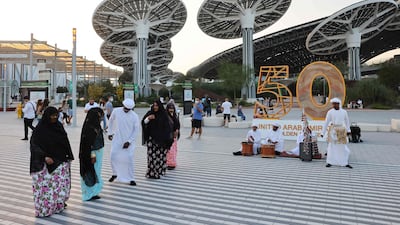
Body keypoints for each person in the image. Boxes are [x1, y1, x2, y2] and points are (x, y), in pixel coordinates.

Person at [29, 106, 74, 217]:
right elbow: (34, 145)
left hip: (60, 162)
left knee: (60, 186)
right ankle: (45, 209)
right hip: (45, 164)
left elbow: (65, 142)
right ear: (47, 116)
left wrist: (68, 156)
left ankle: (58, 206)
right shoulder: (40, 129)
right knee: (46, 188)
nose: (54, 117)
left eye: (56, 115)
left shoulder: (58, 126)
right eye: (52, 115)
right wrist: (44, 157)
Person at [107, 99, 140, 185]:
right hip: (117, 138)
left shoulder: (134, 116)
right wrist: (110, 133)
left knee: (129, 159)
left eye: (128, 109)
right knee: (113, 156)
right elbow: (110, 121)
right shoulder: (116, 111)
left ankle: (131, 178)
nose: (126, 110)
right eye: (125, 108)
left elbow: (136, 130)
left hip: (129, 141)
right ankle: (115, 174)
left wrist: (129, 141)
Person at [142, 100, 173, 179]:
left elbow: (167, 127)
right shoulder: (150, 113)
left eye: (157, 105)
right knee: (151, 157)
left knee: (160, 156)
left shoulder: (163, 114)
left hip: (161, 140)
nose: (155, 107)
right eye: (154, 105)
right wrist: (148, 118)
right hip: (151, 139)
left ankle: (160, 171)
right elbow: (143, 122)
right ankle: (152, 173)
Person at [79, 107, 105, 201]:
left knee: (96, 172)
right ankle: (88, 194)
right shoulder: (90, 128)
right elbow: (87, 144)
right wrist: (92, 154)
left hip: (98, 152)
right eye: (100, 116)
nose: (101, 118)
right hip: (92, 154)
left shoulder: (96, 126)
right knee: (89, 172)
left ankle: (94, 192)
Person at [322, 97, 353, 168]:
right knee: (331, 146)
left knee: (342, 146)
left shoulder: (344, 112)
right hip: (333, 130)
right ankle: (330, 161)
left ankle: (344, 162)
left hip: (341, 130)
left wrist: (348, 130)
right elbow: (326, 122)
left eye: (335, 104)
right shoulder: (330, 112)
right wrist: (322, 133)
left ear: (339, 104)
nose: (334, 105)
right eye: (333, 104)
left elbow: (347, 122)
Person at [166, 102, 180, 170]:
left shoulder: (175, 116)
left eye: (172, 108)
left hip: (174, 136)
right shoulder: (166, 116)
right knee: (170, 150)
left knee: (174, 150)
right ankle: (169, 163)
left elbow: (177, 124)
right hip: (168, 136)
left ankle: (173, 163)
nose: (171, 110)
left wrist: (177, 130)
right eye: (170, 108)